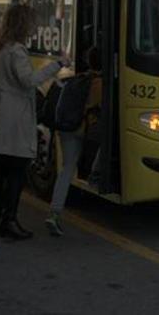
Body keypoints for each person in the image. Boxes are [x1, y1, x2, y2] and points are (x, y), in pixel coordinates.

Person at [0, 5, 68, 240]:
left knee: (2, 173)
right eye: (31, 22)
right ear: (23, 24)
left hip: (1, 117)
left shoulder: (0, 49)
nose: (34, 27)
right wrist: (57, 64)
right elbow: (28, 80)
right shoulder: (17, 51)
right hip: (14, 119)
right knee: (16, 172)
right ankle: (9, 220)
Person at [44, 48, 102, 237]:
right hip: (83, 129)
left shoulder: (76, 79)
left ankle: (54, 213)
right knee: (108, 144)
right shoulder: (100, 84)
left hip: (66, 128)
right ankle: (95, 175)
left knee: (67, 169)